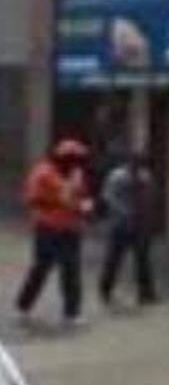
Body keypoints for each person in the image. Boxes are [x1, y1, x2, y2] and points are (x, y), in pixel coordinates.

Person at [14, 139, 94, 326]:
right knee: (41, 268)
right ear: (61, 158)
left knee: (71, 269)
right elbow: (32, 200)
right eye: (72, 158)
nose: (76, 162)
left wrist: (85, 207)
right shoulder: (43, 173)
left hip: (71, 229)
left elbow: (83, 195)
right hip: (48, 228)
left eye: (78, 159)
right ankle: (24, 306)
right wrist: (59, 202)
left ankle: (71, 313)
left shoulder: (76, 174)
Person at [99, 152, 160, 308]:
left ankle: (146, 293)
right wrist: (124, 211)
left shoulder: (145, 176)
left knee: (143, 260)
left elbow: (150, 197)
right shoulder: (117, 176)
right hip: (120, 225)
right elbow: (108, 196)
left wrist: (148, 217)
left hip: (139, 225)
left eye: (140, 164)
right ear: (129, 163)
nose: (137, 168)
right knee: (114, 259)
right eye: (135, 164)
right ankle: (105, 290)